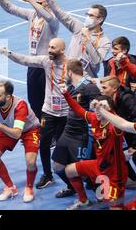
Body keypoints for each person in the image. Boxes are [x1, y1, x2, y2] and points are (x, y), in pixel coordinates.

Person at [0, 38, 69, 189]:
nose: (49, 50)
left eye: (53, 47)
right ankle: (48, 175)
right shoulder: (45, 61)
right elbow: (26, 60)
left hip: (65, 113)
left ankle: (72, 175)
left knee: (65, 147)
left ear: (62, 50)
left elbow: (83, 81)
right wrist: (9, 53)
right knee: (43, 144)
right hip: (48, 112)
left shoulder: (70, 65)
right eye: (49, 46)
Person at [0, 0, 59, 120]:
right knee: (34, 99)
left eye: (39, 0)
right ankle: (39, 128)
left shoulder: (53, 19)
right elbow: (10, 8)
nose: (36, 2)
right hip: (33, 65)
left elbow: (45, 14)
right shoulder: (32, 14)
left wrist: (29, 0)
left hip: (47, 66)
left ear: (48, 2)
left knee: (48, 101)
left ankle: (51, 131)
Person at [62, 91, 128, 210]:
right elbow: (78, 109)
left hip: (114, 174)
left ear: (109, 109)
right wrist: (65, 93)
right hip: (98, 166)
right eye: (96, 108)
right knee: (69, 170)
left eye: (101, 108)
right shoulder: (94, 119)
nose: (98, 111)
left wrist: (109, 111)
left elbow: (120, 122)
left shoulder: (115, 126)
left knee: (113, 207)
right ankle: (83, 201)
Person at [39, 0, 111, 78]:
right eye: (87, 14)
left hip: (86, 81)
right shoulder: (79, 27)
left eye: (91, 16)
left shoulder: (105, 42)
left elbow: (96, 61)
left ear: (100, 20)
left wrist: (87, 40)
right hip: (67, 75)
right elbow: (59, 12)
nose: (87, 18)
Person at [51, 60, 101, 198]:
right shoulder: (71, 87)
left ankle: (102, 197)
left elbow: (102, 108)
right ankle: (72, 188)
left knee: (87, 170)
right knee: (57, 166)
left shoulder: (90, 88)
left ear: (69, 72)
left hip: (83, 135)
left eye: (64, 71)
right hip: (68, 132)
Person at [100, 76, 136, 186]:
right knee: (114, 150)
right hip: (129, 132)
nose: (101, 90)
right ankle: (133, 179)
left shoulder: (127, 99)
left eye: (104, 88)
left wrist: (135, 146)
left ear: (114, 88)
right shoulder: (109, 99)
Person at [103, 36, 136, 116]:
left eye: (115, 49)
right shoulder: (109, 64)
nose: (112, 51)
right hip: (114, 106)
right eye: (112, 48)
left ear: (124, 51)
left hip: (132, 109)